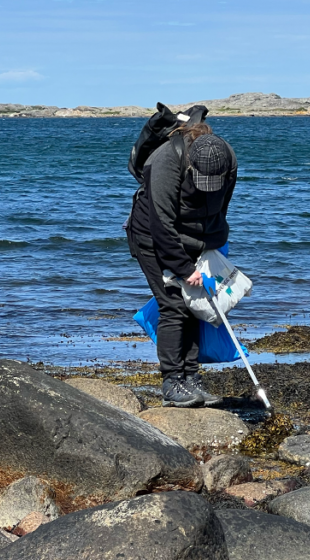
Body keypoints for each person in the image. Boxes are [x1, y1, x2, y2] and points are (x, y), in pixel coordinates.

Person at [126, 119, 237, 408]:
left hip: (193, 236)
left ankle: (191, 379)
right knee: (174, 304)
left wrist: (210, 252)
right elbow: (161, 225)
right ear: (190, 168)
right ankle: (172, 382)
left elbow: (220, 212)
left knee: (195, 306)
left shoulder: (229, 160)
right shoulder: (165, 163)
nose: (208, 190)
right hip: (151, 236)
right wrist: (185, 269)